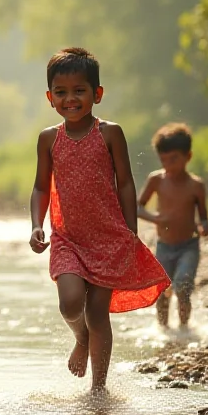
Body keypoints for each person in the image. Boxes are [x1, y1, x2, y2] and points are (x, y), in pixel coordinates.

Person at [29, 48, 169, 392]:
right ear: (50, 98)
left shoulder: (109, 133)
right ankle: (80, 338)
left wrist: (130, 232)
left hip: (108, 238)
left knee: (97, 312)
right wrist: (36, 224)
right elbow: (39, 187)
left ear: (97, 94)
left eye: (80, 90)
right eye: (61, 92)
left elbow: (125, 182)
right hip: (68, 238)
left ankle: (98, 388)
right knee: (70, 302)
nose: (70, 99)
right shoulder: (49, 139)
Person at [138, 123, 208, 328]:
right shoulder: (156, 180)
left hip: (189, 246)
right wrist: (156, 219)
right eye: (163, 160)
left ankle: (184, 328)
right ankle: (164, 330)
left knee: (183, 286)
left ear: (188, 157)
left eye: (174, 159)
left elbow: (204, 217)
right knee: (161, 290)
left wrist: (205, 226)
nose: (168, 165)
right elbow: (138, 208)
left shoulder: (196, 186)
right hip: (164, 246)